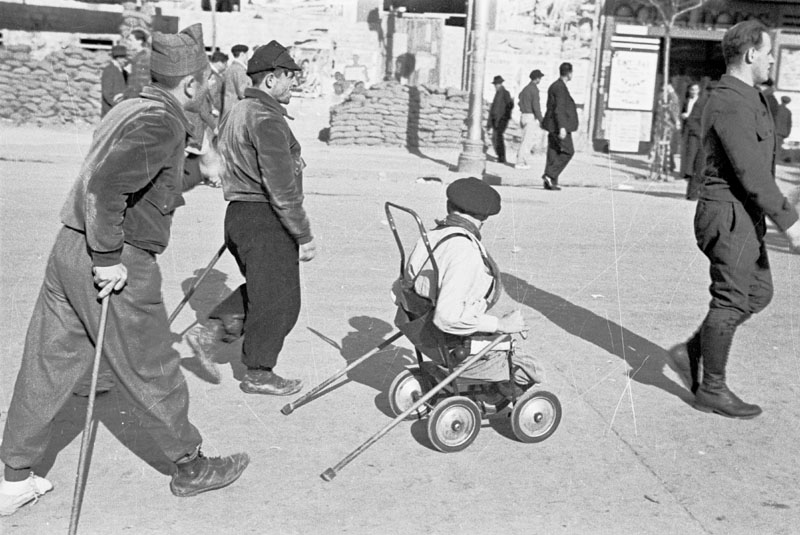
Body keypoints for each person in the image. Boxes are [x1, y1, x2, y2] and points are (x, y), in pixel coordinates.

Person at [0, 24, 249, 517]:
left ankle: (12, 480)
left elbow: (146, 179)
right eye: (205, 82)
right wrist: (110, 258)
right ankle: (190, 464)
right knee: (151, 363)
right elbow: (107, 188)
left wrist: (202, 170)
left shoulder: (133, 107)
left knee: (47, 365)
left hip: (68, 248)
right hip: (115, 257)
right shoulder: (164, 123)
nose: (207, 91)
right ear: (193, 84)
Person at [669, 20, 800, 419]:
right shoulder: (728, 99)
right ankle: (711, 387)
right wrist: (791, 223)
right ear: (750, 55)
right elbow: (751, 171)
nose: (772, 58)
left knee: (758, 293)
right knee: (730, 299)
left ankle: (692, 352)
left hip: (745, 214)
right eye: (768, 51)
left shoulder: (750, 96)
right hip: (727, 214)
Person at [188, 41, 316, 396]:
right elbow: (281, 186)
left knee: (267, 292)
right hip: (266, 217)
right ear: (272, 79)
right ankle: (258, 372)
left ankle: (210, 333)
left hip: (240, 215)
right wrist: (303, 235)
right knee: (283, 303)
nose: (293, 84)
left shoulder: (238, 110)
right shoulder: (266, 118)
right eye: (289, 77)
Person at [392, 177, 543, 388]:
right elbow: (447, 317)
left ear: (448, 206)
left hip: (420, 328)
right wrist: (500, 325)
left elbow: (398, 289)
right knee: (530, 368)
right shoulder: (464, 251)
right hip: (450, 342)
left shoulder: (432, 236)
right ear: (483, 218)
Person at [541, 62, 578, 190]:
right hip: (559, 126)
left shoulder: (554, 86)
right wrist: (562, 127)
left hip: (552, 125)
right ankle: (550, 175)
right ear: (569, 73)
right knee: (568, 151)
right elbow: (559, 109)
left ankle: (550, 182)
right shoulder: (561, 88)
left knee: (553, 152)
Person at [680, 82, 709, 199]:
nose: (693, 92)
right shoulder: (687, 101)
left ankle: (694, 193)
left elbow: (701, 118)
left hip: (698, 135)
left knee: (698, 163)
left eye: (696, 90)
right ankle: (692, 192)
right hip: (689, 134)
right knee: (691, 162)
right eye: (692, 90)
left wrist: (689, 118)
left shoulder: (703, 102)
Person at [515, 69, 544, 170]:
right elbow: (536, 106)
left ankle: (521, 159)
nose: (540, 79)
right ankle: (520, 162)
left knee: (525, 139)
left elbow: (519, 101)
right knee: (527, 141)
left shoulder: (525, 89)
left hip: (523, 115)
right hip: (530, 116)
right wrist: (541, 120)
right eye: (539, 78)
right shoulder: (534, 90)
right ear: (536, 79)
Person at [486, 75, 513, 164]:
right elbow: (493, 109)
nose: (496, 86)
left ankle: (502, 157)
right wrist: (489, 123)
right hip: (496, 120)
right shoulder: (497, 94)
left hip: (501, 119)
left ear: (501, 84)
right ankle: (499, 156)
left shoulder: (505, 93)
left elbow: (509, 106)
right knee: (496, 138)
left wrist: (505, 117)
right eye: (495, 84)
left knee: (498, 137)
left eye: (498, 84)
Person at [221, 44, 251, 118]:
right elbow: (242, 93)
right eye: (247, 55)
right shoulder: (239, 69)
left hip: (229, 109)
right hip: (236, 111)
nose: (247, 57)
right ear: (242, 54)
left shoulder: (230, 68)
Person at [100, 44, 128, 117]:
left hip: (119, 108)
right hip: (111, 109)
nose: (125, 60)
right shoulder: (109, 70)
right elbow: (107, 94)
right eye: (124, 58)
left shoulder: (123, 71)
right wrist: (116, 105)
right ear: (118, 58)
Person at [123, 28, 151, 99]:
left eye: (131, 40)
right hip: (135, 94)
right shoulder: (137, 56)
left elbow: (142, 80)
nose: (129, 43)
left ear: (139, 41)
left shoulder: (145, 56)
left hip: (141, 96)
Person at [775, 95, 792, 162]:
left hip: (775, 130)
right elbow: (789, 124)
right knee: (778, 147)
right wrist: (788, 132)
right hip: (782, 132)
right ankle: (777, 159)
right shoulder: (788, 112)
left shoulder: (777, 108)